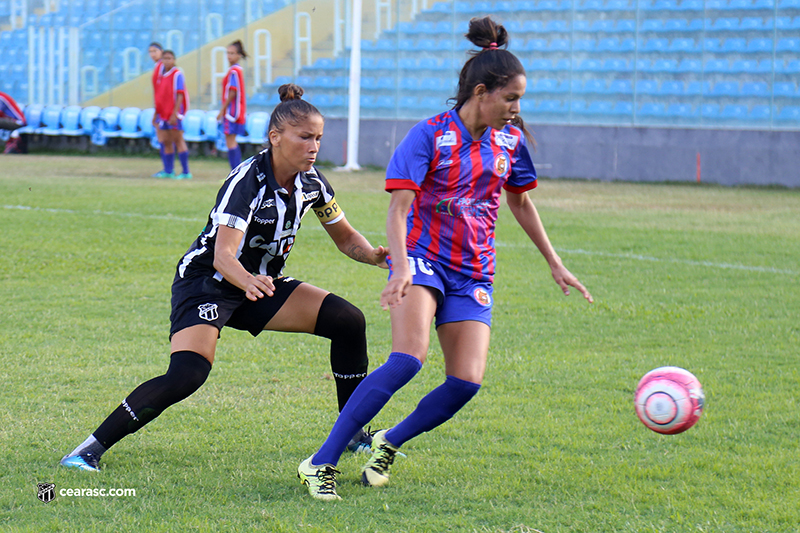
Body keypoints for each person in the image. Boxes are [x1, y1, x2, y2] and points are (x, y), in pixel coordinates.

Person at [297, 16, 594, 501]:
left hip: (474, 270)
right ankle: (321, 462)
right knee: (407, 360)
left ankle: (388, 442)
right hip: (423, 258)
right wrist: (403, 266)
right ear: (482, 92)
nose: (517, 109)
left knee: (465, 382)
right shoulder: (430, 135)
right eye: (511, 98)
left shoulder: (510, 141)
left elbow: (520, 201)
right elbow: (399, 208)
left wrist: (554, 262)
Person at [60, 83, 389, 472]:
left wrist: (374, 256)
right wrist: (248, 282)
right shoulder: (247, 181)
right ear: (276, 137)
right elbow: (222, 256)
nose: (314, 146)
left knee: (348, 321)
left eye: (318, 138)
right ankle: (87, 450)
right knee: (188, 373)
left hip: (257, 283)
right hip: (208, 281)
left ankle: (352, 434)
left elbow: (345, 236)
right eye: (305, 137)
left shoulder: (312, 183)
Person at [153, 50, 191, 179]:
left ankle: (186, 172)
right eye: (165, 58)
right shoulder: (161, 76)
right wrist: (156, 113)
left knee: (178, 140)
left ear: (174, 60)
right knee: (165, 141)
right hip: (163, 114)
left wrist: (175, 113)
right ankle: (168, 170)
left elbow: (180, 94)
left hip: (173, 114)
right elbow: (159, 97)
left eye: (169, 58)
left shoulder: (177, 74)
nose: (167, 61)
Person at [217, 40, 248, 170]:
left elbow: (233, 92)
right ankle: (236, 170)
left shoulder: (234, 71)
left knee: (230, 141)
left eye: (232, 53)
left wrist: (222, 110)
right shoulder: (234, 70)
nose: (229, 56)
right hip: (233, 112)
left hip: (232, 112)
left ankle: (235, 170)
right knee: (231, 140)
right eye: (228, 53)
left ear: (239, 55)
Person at [148, 42, 172, 177]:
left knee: (166, 139)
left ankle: (169, 169)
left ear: (161, 52)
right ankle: (167, 168)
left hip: (163, 109)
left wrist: (158, 109)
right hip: (160, 107)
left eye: (155, 51)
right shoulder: (158, 67)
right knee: (163, 139)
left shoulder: (162, 67)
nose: (152, 54)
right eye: (150, 52)